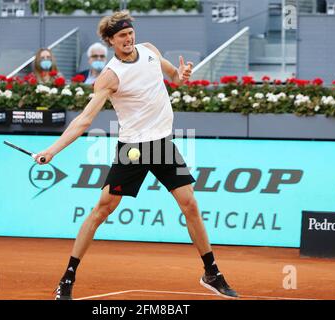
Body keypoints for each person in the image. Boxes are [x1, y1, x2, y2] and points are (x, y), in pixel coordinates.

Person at [35, 11, 238, 300]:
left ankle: (211, 272)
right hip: (133, 149)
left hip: (162, 145)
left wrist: (182, 76)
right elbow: (84, 120)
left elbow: (174, 78)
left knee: (189, 204)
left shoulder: (150, 51)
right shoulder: (109, 77)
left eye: (130, 33)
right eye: (121, 36)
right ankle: (67, 278)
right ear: (110, 41)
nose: (128, 39)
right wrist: (52, 151)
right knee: (102, 210)